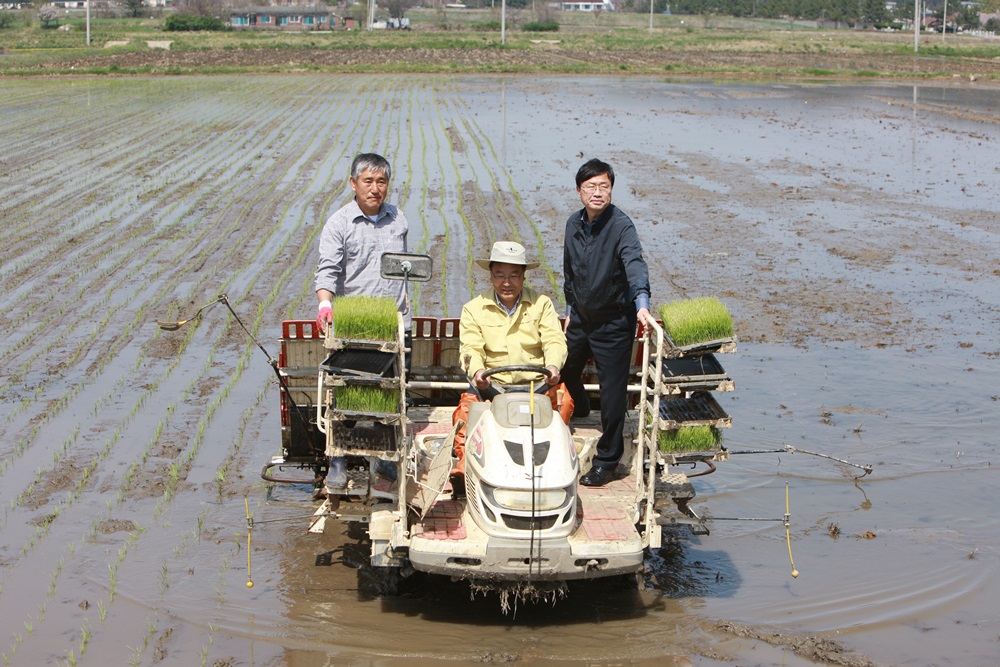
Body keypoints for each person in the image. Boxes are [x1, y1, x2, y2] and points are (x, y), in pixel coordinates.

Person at [314, 152, 409, 489]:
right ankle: (337, 462)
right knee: (345, 399)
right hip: (353, 326)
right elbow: (327, 270)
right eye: (367, 181)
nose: (375, 188)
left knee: (390, 396)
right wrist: (325, 305)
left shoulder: (398, 218)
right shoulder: (339, 223)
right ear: (353, 183)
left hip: (394, 323)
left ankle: (385, 462)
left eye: (381, 181)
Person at [561, 158, 653, 487]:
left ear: (611, 190)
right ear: (579, 190)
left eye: (604, 187)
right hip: (582, 317)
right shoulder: (573, 223)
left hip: (614, 321)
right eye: (591, 187)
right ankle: (581, 402)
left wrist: (641, 302)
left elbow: (634, 263)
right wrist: (570, 305)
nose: (597, 193)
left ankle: (608, 461)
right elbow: (569, 269)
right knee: (565, 367)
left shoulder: (621, 226)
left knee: (613, 396)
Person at [452, 241, 570, 477]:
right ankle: (465, 465)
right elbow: (470, 348)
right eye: (500, 275)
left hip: (536, 385)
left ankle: (558, 464)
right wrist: (478, 373)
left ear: (524, 276)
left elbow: (554, 340)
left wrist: (553, 366)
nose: (507, 283)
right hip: (492, 386)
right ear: (491, 276)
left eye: (514, 276)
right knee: (466, 413)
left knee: (564, 401)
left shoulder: (542, 304)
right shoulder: (474, 308)